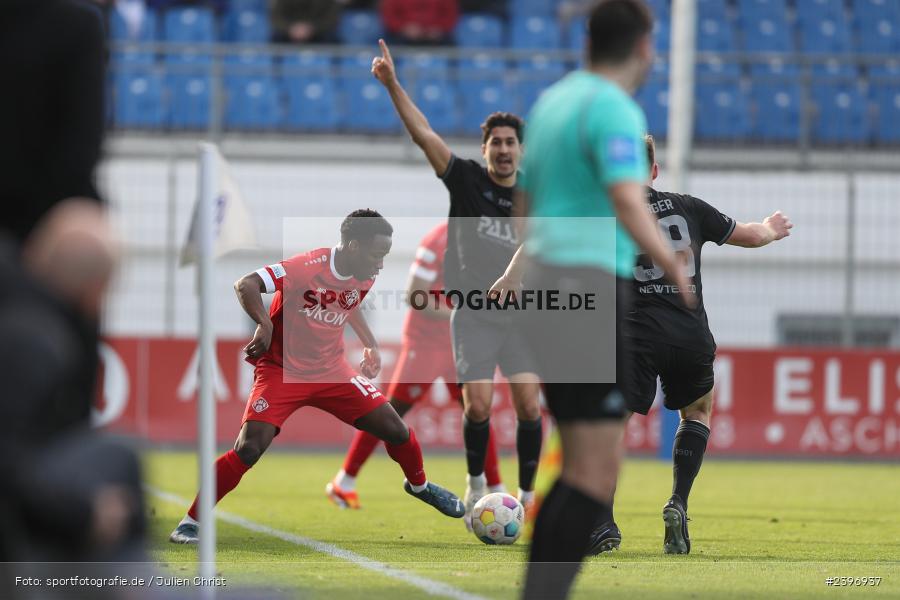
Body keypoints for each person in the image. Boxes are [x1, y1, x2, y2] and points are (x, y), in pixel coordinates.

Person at [487, 1, 690, 597]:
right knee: (595, 470)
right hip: (588, 288)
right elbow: (628, 198)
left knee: (581, 466)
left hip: (551, 289)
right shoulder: (614, 107)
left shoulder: (551, 104)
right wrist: (672, 265)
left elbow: (524, 206)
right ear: (644, 47)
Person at [169, 210, 464, 544]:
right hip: (282, 371)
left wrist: (370, 343)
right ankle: (190, 522)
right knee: (249, 448)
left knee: (396, 429)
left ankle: (420, 486)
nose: (381, 264)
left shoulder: (364, 273)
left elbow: (348, 303)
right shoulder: (306, 267)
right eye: (377, 255)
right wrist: (264, 324)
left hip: (332, 371)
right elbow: (246, 284)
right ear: (353, 246)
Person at [584, 135, 793, 555]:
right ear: (654, 171)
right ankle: (678, 501)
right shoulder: (689, 207)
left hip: (635, 337)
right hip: (690, 334)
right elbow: (751, 236)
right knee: (697, 411)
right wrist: (770, 229)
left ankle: (603, 524)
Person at [371, 39, 544, 528]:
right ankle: (476, 484)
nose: (504, 149)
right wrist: (393, 85)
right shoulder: (466, 180)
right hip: (473, 314)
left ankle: (527, 494)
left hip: (522, 317)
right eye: (496, 143)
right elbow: (424, 133)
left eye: (511, 142)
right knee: (479, 405)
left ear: (520, 150)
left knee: (529, 405)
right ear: (485, 149)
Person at [326, 222, 506, 509]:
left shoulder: (494, 237)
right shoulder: (438, 239)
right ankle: (344, 482)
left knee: (478, 411)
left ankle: (498, 490)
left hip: (462, 343)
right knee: (390, 413)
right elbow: (415, 295)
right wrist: (462, 314)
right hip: (426, 343)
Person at [0, 0, 106, 245]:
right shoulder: (79, 23)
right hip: (44, 218)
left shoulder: (77, 24)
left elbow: (80, 150)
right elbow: (82, 149)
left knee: (88, 244)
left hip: (47, 218)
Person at [381, 0, 459, 46]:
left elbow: (451, 14)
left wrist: (440, 28)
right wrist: (403, 28)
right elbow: (389, 15)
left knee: (453, 46)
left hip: (437, 38)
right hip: (402, 37)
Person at [271, 0, 345, 45]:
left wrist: (312, 29)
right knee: (275, 39)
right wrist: (291, 29)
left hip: (319, 35)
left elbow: (332, 19)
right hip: (288, 35)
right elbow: (276, 17)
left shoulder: (328, 2)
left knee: (333, 40)